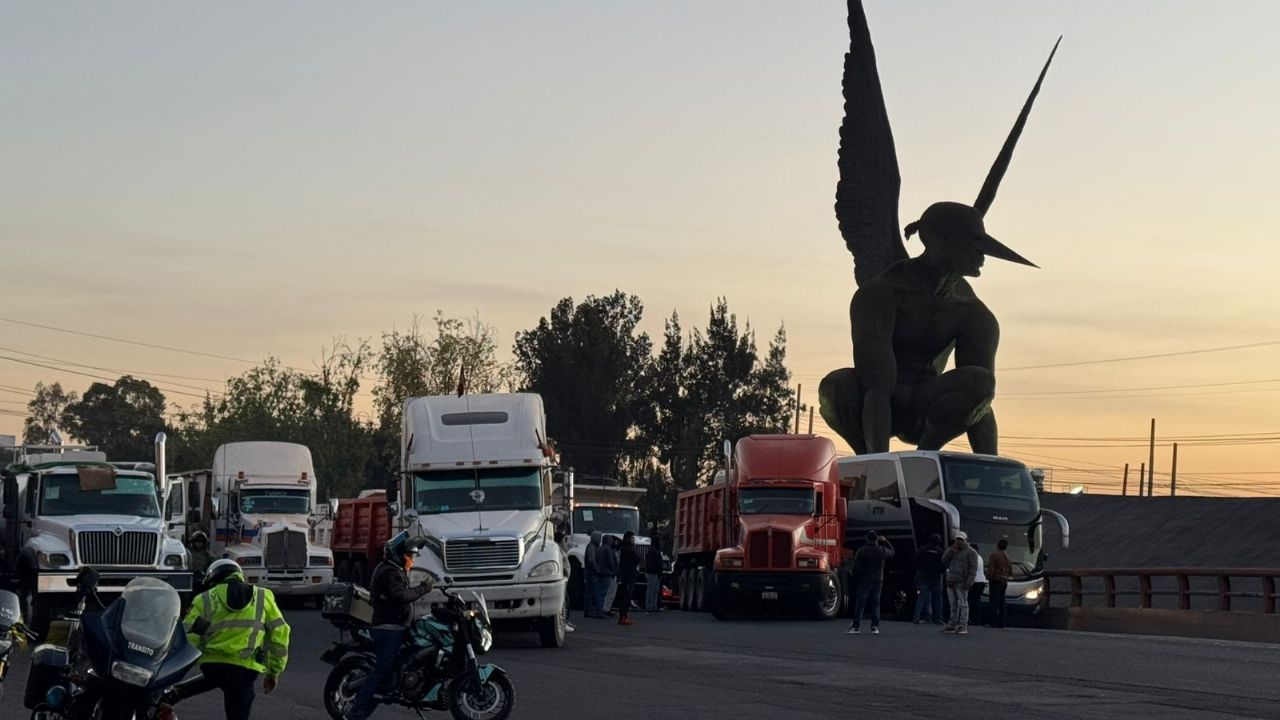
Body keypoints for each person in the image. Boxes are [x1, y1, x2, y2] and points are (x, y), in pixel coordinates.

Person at [175, 558, 290, 720]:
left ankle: (175, 692)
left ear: (213, 577)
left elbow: (190, 637)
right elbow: (280, 634)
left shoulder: (205, 599)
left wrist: (176, 670)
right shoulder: (264, 597)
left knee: (216, 677)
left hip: (212, 666)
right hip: (245, 670)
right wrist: (274, 671)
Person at [347, 531, 433, 720]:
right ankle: (356, 713)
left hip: (397, 625)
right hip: (388, 628)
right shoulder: (388, 572)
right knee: (382, 670)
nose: (412, 559)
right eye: (409, 555)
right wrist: (423, 588)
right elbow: (400, 596)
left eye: (413, 555)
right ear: (398, 555)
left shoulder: (394, 569)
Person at [846, 530, 895, 635]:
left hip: (864, 579)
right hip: (878, 579)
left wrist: (856, 578)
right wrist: (885, 541)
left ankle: (856, 626)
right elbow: (892, 551)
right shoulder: (881, 550)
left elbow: (855, 567)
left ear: (867, 538)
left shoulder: (862, 551)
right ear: (876, 539)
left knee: (860, 603)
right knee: (876, 602)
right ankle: (874, 626)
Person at [941, 531, 980, 635]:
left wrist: (969, 582)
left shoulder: (971, 553)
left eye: (961, 540)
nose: (959, 542)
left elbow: (973, 569)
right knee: (953, 604)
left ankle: (963, 625)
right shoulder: (952, 550)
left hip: (962, 582)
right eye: (957, 539)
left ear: (965, 541)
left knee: (963, 604)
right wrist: (951, 551)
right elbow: (944, 561)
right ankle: (952, 624)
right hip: (951, 580)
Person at [913, 533, 945, 625]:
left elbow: (916, 562)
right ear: (939, 542)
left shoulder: (922, 550)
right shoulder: (940, 552)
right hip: (936, 578)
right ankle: (938, 618)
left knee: (921, 598)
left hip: (924, 577)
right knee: (938, 600)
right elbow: (943, 565)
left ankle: (916, 617)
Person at [986, 537, 1013, 628]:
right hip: (1004, 581)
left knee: (993, 601)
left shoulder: (994, 555)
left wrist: (989, 577)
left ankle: (993, 621)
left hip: (996, 580)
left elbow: (991, 568)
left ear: (997, 545)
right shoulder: (1008, 557)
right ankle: (1002, 622)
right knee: (1002, 601)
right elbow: (1010, 571)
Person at [617, 531, 640, 626]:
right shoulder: (627, 549)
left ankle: (624, 616)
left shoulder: (623, 548)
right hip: (628, 575)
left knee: (626, 596)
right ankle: (623, 616)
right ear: (628, 539)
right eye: (632, 538)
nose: (633, 540)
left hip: (626, 574)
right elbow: (637, 558)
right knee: (626, 596)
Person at [596, 535, 619, 617]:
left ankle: (600, 609)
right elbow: (610, 561)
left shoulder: (600, 548)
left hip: (600, 572)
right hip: (607, 573)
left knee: (600, 592)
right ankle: (603, 610)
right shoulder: (608, 549)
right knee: (606, 592)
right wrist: (614, 570)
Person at [583, 530, 603, 618]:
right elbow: (591, 559)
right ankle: (589, 610)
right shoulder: (591, 547)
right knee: (591, 592)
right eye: (599, 538)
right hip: (591, 573)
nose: (600, 540)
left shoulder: (594, 546)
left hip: (592, 572)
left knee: (591, 592)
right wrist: (596, 568)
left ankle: (589, 610)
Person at [643, 536, 664, 614]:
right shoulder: (653, 552)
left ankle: (652, 606)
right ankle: (650, 607)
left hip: (654, 573)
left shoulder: (653, 551)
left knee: (654, 591)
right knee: (652, 591)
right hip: (653, 573)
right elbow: (653, 564)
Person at [968, 542, 987, 627]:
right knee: (976, 601)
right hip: (981, 581)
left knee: (971, 601)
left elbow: (971, 570)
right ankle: (977, 620)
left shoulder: (973, 557)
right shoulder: (980, 558)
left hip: (975, 582)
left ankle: (972, 619)